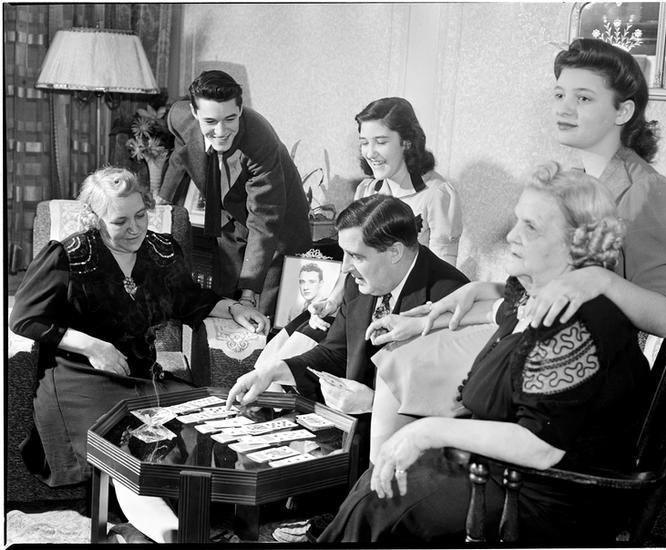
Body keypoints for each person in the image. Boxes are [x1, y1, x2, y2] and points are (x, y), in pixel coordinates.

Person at [319, 162, 650, 544]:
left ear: (576, 243)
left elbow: (540, 448)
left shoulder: (573, 323)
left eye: (531, 227)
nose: (511, 235)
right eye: (517, 220)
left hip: (543, 496)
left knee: (377, 506)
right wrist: (422, 321)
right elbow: (498, 311)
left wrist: (427, 431)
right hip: (499, 471)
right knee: (373, 492)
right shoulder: (535, 294)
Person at [9, 167, 269, 542]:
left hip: (141, 373)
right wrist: (91, 345)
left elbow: (189, 299)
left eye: (140, 215)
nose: (134, 229)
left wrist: (233, 307)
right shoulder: (69, 255)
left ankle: (172, 525)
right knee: (129, 445)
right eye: (120, 221)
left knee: (201, 424)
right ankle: (172, 534)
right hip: (79, 377)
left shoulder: (161, 251)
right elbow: (25, 318)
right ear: (94, 219)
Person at [227, 194, 469, 470]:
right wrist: (273, 371)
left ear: (395, 252)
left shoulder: (449, 297)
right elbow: (335, 353)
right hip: (355, 440)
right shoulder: (359, 281)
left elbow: (451, 403)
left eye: (356, 255)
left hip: (414, 460)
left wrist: (375, 402)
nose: (345, 267)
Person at [524, 37, 666, 337]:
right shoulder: (575, 181)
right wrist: (484, 292)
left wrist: (601, 280)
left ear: (622, 112)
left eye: (583, 99)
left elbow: (664, 318)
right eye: (559, 95)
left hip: (601, 353)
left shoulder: (648, 190)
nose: (563, 109)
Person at [158, 69, 312, 317]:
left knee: (261, 314)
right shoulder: (178, 116)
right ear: (194, 112)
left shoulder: (260, 141)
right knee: (224, 302)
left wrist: (249, 294)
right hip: (230, 219)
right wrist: (162, 200)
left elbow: (263, 222)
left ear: (240, 109)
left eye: (230, 119)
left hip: (277, 230)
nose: (220, 131)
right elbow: (180, 154)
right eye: (210, 121)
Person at [306, 96, 463, 332]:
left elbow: (442, 276)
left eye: (380, 142)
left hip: (408, 311)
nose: (370, 153)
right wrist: (333, 301)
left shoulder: (437, 194)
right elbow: (352, 261)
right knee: (291, 340)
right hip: (363, 301)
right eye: (364, 143)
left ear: (407, 142)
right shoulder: (366, 189)